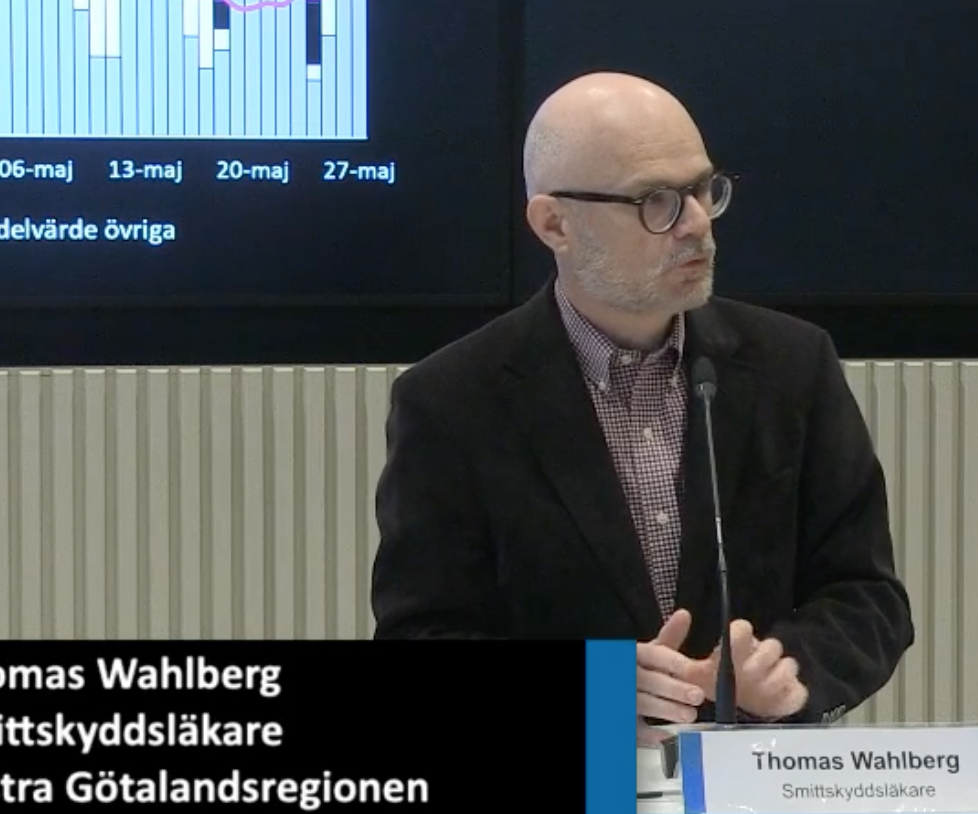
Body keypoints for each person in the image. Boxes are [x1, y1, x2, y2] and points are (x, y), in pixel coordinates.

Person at [371, 72, 914, 743]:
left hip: (753, 770)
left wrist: (790, 671)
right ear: (555, 224)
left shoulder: (791, 365)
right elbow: (420, 633)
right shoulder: (453, 399)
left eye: (704, 190)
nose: (697, 224)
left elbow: (867, 595)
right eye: (657, 201)